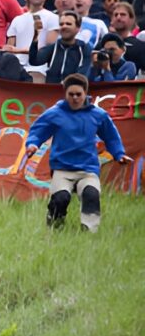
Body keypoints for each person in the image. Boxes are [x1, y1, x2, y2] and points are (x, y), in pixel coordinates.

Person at [25, 73, 132, 232]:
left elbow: (111, 137)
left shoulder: (98, 115)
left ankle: (89, 231)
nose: (75, 98)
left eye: (78, 94)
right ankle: (55, 227)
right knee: (61, 198)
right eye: (71, 94)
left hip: (88, 169)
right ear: (65, 93)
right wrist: (32, 144)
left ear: (85, 93)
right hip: (62, 168)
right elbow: (38, 130)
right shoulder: (55, 113)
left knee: (91, 194)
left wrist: (119, 154)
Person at [28, 11, 92, 84]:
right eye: (61, 24)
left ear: (78, 28)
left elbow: (83, 74)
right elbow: (34, 61)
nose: (64, 26)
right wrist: (36, 37)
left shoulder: (84, 48)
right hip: (52, 90)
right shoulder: (53, 47)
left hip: (72, 90)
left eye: (68, 24)